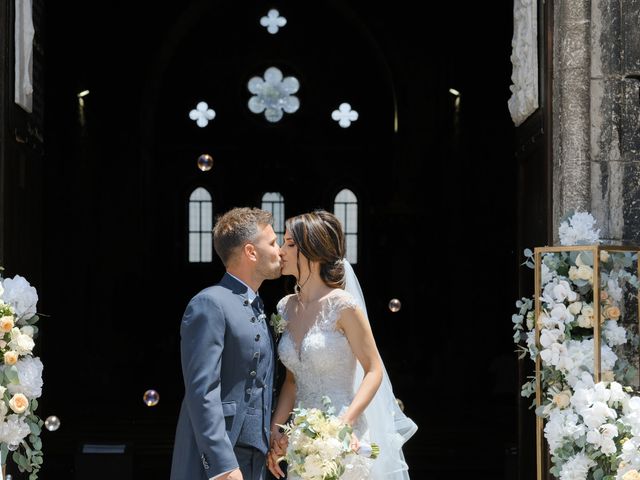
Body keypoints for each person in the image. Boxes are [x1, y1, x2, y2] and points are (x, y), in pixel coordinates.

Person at [266, 210, 418, 480]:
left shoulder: (343, 306)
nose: (280, 251)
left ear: (312, 251)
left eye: (289, 244)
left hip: (343, 435)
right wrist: (276, 428)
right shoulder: (284, 308)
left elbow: (374, 370)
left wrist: (344, 424)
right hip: (301, 437)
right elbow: (292, 380)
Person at [171, 207, 282, 480]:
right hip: (222, 459)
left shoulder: (259, 307)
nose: (279, 250)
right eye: (272, 242)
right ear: (251, 252)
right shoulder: (209, 303)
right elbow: (202, 391)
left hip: (258, 458)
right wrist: (222, 465)